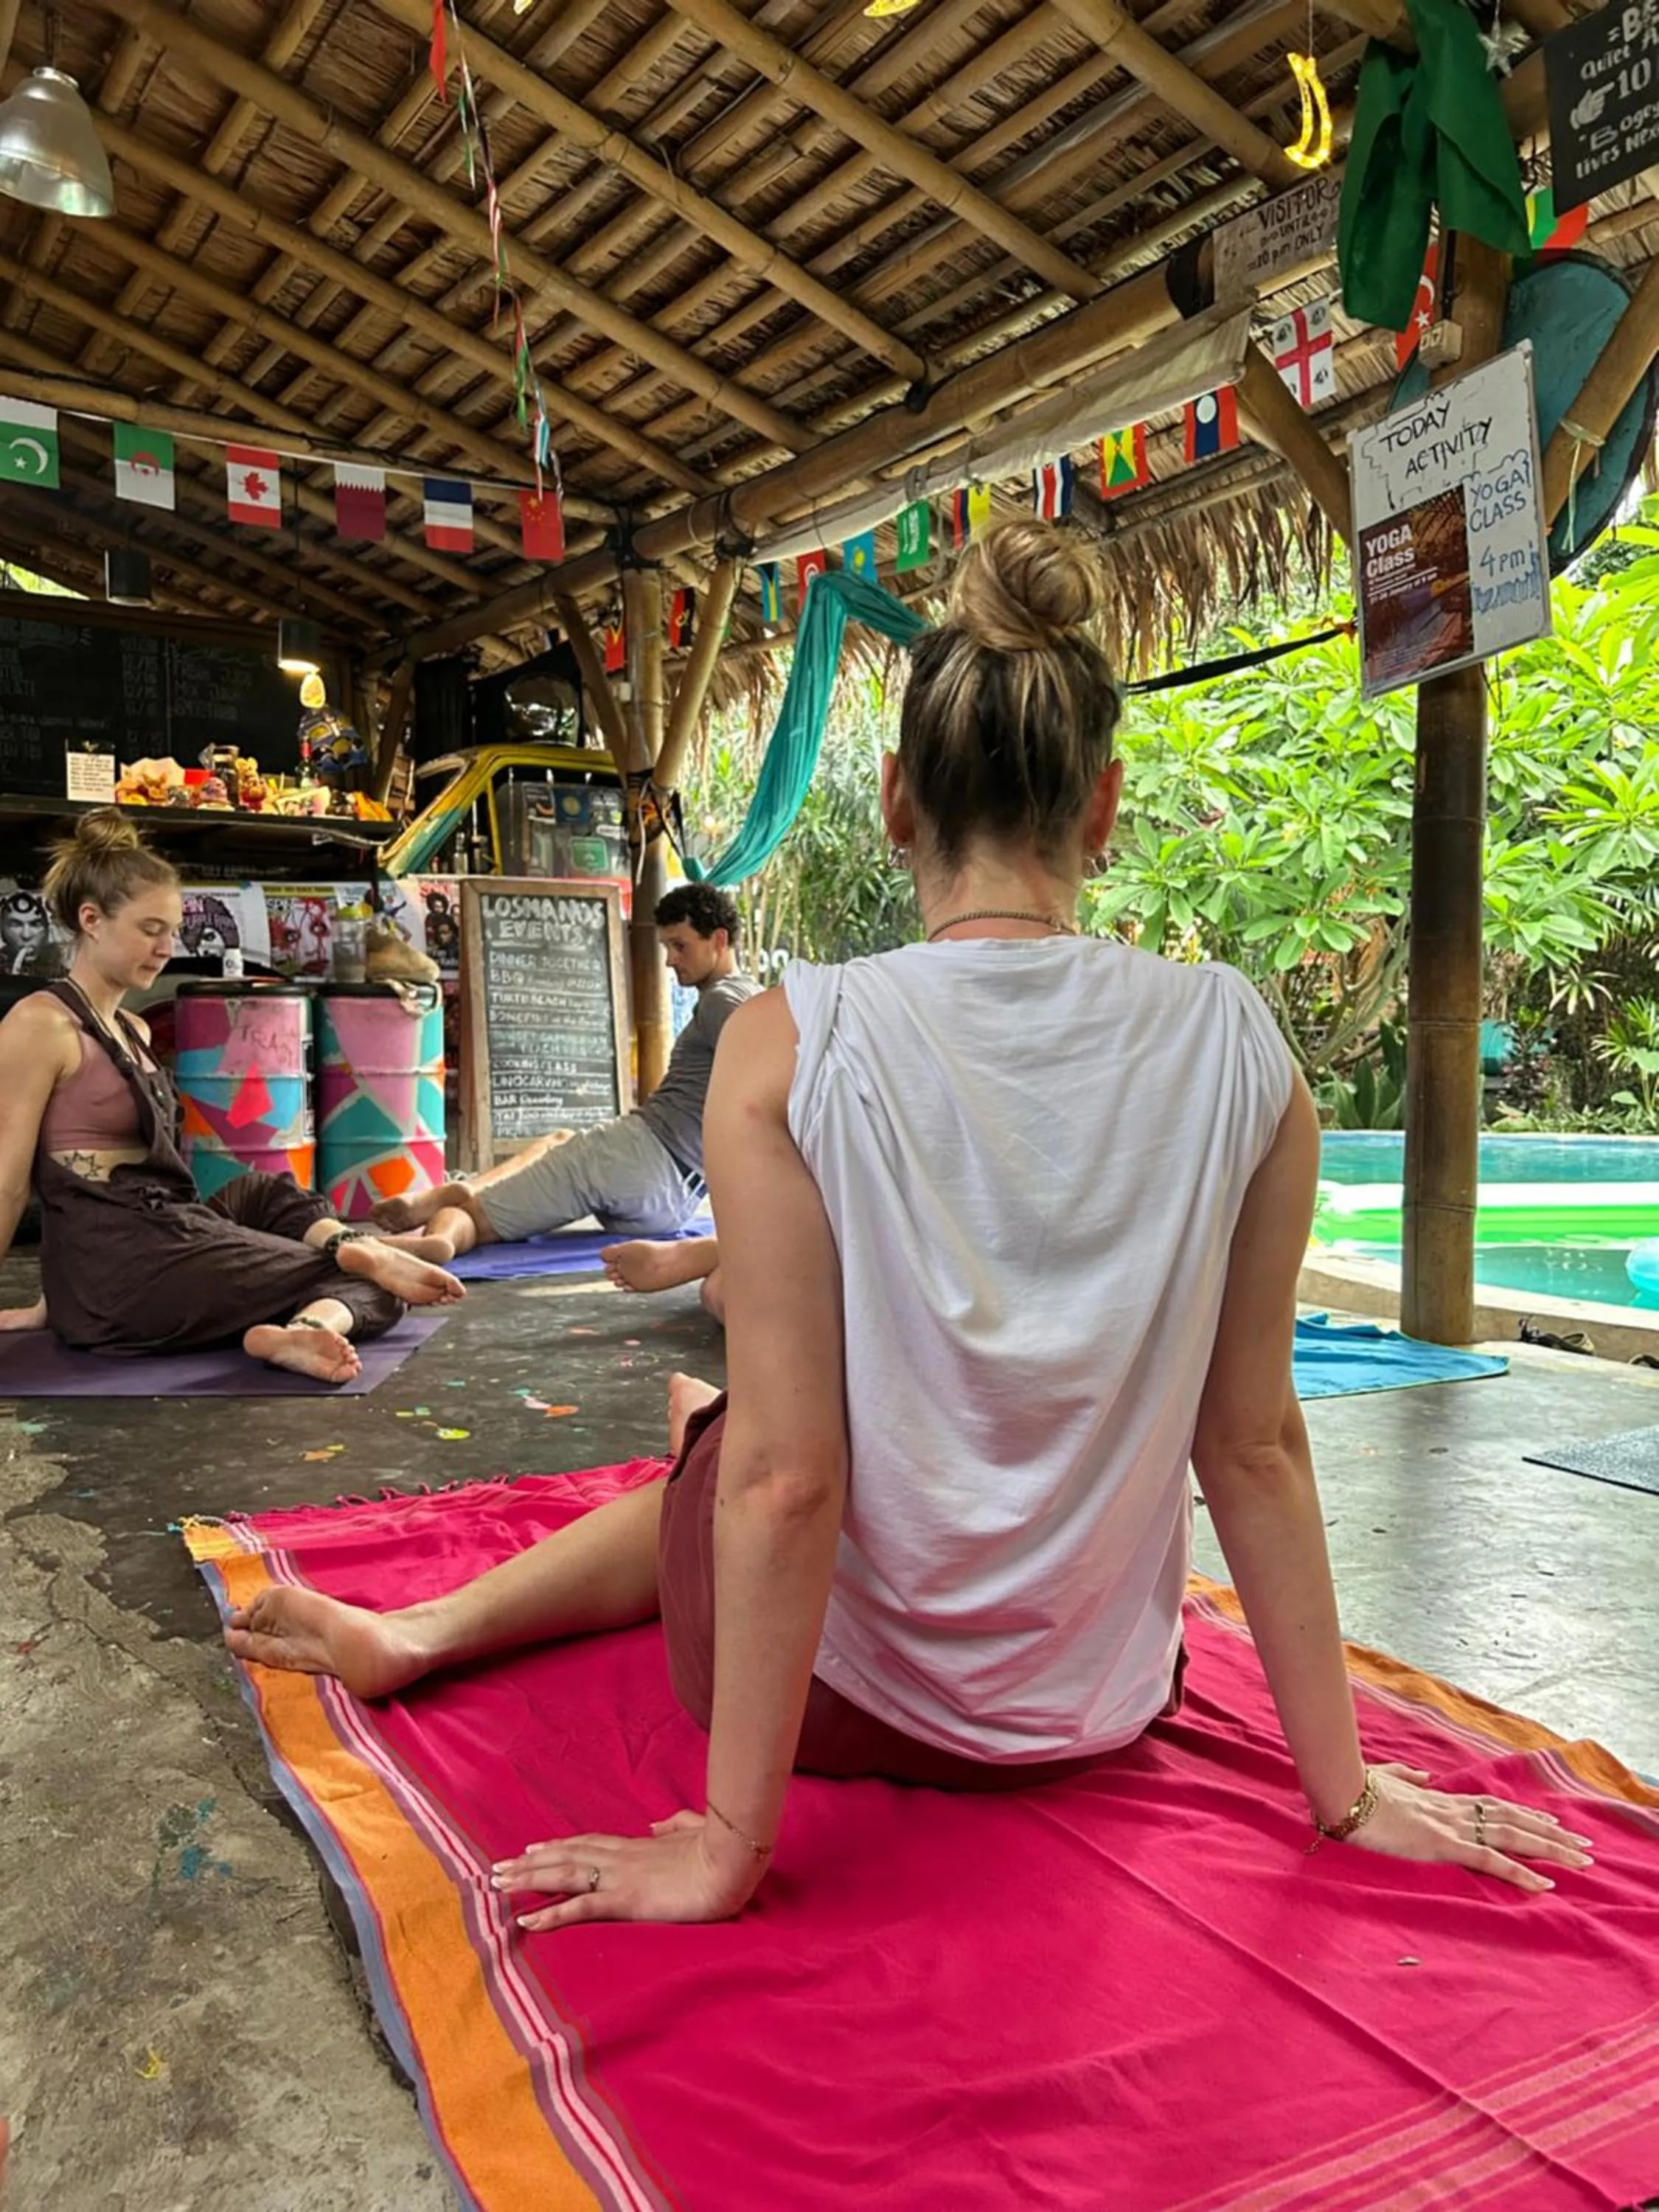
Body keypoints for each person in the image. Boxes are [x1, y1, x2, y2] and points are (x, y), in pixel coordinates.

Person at [226, 521, 1588, 1921]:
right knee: (733, 1437)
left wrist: (727, 1849)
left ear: (891, 803)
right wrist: (1346, 1792)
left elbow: (790, 1485)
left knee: (728, 1449)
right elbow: (1250, 1442)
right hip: (1106, 1701)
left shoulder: (791, 1040)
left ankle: (424, 1629)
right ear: (1104, 808)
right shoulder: (1243, 1047)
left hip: (850, 1705)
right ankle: (643, 1464)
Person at [0, 812, 465, 1385]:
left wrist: (52, 1302)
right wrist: (59, 1300)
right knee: (386, 1287)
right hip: (122, 1276)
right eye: (151, 929)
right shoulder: (40, 1025)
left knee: (261, 1190)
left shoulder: (134, 1032)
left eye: (172, 930)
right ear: (91, 920)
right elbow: (11, 1183)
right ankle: (323, 1307)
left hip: (153, 1236)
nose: (167, 947)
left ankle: (346, 1251)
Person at [372, 883, 758, 1254]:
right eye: (667, 947)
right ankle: (470, 1188)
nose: (671, 959)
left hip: (638, 1159)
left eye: (680, 946)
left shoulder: (721, 1001)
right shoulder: (752, 995)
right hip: (675, 1200)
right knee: (558, 1140)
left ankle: (439, 1238)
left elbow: (761, 1070)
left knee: (469, 1220)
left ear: (719, 940)